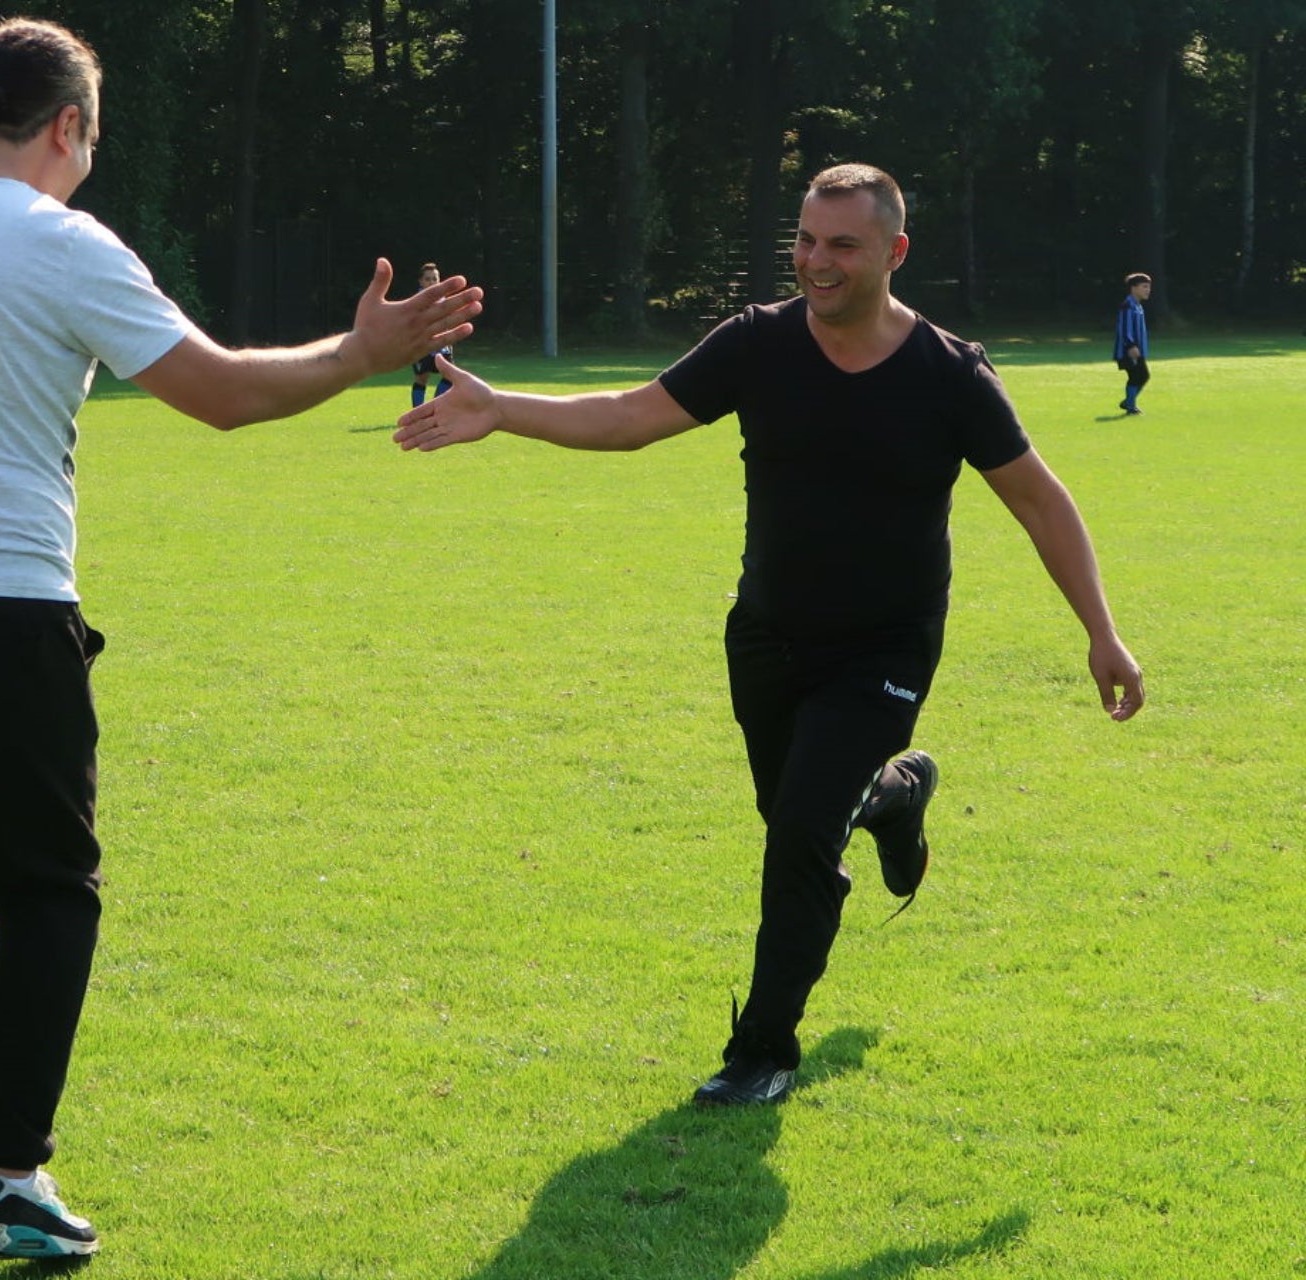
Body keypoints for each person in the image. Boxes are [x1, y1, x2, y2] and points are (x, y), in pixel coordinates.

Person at [0, 17, 480, 1280]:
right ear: (67, 126)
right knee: (47, 893)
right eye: (93, 142)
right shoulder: (59, 238)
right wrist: (358, 354)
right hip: (0, 615)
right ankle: (8, 1178)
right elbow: (222, 392)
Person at [395, 163, 1143, 1108]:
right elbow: (632, 416)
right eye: (805, 240)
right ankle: (893, 796)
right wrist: (504, 409)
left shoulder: (950, 374)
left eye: (842, 246)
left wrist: (1101, 632)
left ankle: (763, 1050)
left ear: (895, 252)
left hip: (885, 649)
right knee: (798, 818)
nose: (815, 262)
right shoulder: (757, 342)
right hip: (766, 639)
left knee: (798, 837)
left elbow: (1039, 500)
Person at [411, 262, 457, 407]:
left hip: (442, 346)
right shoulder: (416, 301)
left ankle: (433, 407)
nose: (432, 282)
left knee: (450, 376)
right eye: (428, 279)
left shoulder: (443, 300)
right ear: (421, 281)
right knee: (422, 379)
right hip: (423, 347)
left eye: (434, 279)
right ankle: (418, 413)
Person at [1114, 272, 1151, 415]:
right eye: (1144, 286)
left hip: (1137, 349)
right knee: (1137, 376)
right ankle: (1130, 406)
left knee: (1142, 376)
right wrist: (1130, 345)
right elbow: (1124, 328)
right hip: (1128, 350)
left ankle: (1128, 402)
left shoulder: (1137, 305)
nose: (1147, 290)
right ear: (1133, 288)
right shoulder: (1128, 306)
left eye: (1148, 287)